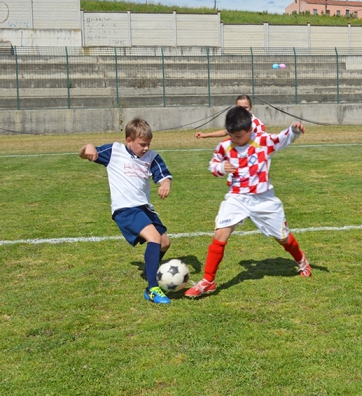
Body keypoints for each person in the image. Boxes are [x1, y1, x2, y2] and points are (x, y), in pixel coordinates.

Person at [185, 107, 311, 299]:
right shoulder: (224, 146)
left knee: (282, 238)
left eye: (239, 136)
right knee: (220, 232)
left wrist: (294, 130)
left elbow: (281, 138)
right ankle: (208, 281)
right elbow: (213, 163)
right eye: (232, 135)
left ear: (250, 130)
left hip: (264, 199)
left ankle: (301, 260)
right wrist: (221, 167)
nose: (235, 139)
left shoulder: (262, 141)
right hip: (237, 197)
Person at [78, 118, 174, 304]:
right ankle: (152, 289)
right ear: (129, 140)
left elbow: (164, 175)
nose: (146, 148)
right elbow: (84, 153)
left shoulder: (152, 157)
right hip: (125, 208)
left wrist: (165, 183)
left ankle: (150, 270)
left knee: (164, 242)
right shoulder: (115, 151)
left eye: (148, 144)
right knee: (153, 238)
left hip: (143, 207)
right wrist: (88, 147)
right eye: (142, 144)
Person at [196, 94, 265, 139]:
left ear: (250, 107)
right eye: (239, 107)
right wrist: (204, 135)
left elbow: (261, 143)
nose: (242, 110)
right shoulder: (236, 121)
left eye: (245, 107)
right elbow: (225, 132)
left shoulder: (257, 124)